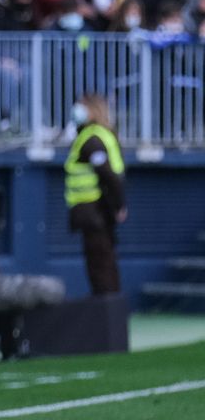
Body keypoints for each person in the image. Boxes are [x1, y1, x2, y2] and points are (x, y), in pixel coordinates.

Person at [65, 94, 125, 295]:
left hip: (95, 211)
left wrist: (119, 206)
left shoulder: (92, 139)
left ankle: (106, 312)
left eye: (82, 106)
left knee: (101, 265)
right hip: (95, 213)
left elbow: (109, 176)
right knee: (103, 261)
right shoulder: (95, 135)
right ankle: (109, 312)